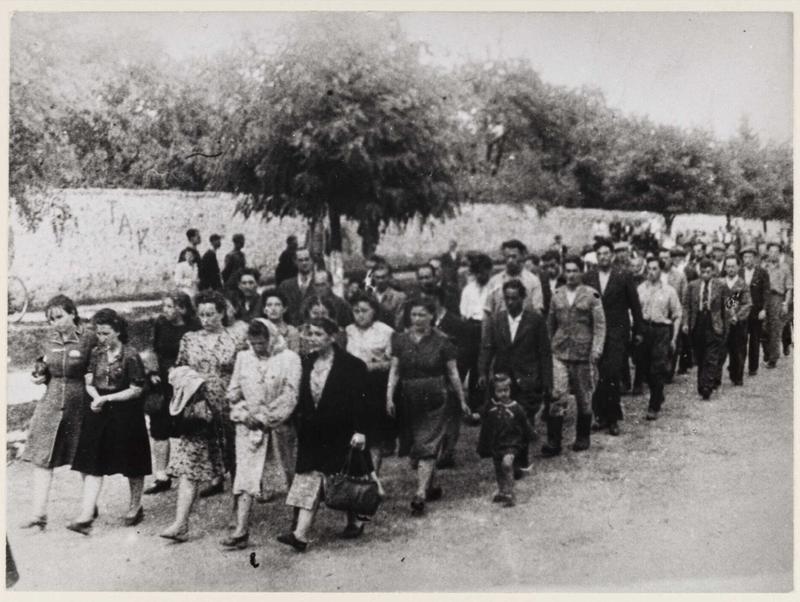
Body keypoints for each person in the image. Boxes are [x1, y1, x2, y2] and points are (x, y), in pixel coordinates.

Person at [277, 317, 372, 551]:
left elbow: (363, 403)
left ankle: (354, 520)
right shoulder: (305, 362)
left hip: (342, 431)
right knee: (311, 477)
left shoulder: (352, 365)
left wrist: (361, 430)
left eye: (318, 334)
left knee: (345, 476)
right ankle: (300, 534)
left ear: (332, 337)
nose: (312, 339)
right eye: (309, 334)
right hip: (312, 431)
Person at [159, 291, 247, 542]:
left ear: (222, 312)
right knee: (190, 462)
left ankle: (237, 516)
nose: (206, 319)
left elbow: (245, 370)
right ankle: (180, 522)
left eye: (211, 314)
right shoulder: (189, 338)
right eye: (202, 314)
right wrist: (181, 378)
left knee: (235, 462)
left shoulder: (236, 338)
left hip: (228, 406)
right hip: (197, 407)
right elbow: (177, 367)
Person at [68, 309, 151, 534]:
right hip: (101, 411)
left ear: (118, 332)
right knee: (93, 460)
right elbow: (89, 381)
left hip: (126, 413)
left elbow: (136, 389)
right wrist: (96, 397)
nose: (101, 338)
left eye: (106, 333)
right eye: (98, 333)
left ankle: (135, 506)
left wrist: (107, 398)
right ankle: (86, 515)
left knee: (133, 461)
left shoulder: (131, 355)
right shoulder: (95, 354)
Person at [21, 295, 99, 530]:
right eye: (51, 319)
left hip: (80, 403)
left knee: (84, 458)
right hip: (52, 403)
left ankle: (88, 507)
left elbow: (96, 368)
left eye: (59, 317)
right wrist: (39, 375)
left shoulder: (88, 338)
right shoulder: (49, 339)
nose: (55, 322)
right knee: (44, 457)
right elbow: (44, 366)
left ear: (72, 314)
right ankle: (38, 515)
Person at [386, 298, 469, 516]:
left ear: (432, 316)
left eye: (422, 315)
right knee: (416, 447)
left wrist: (461, 399)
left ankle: (420, 493)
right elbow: (394, 370)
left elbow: (453, 373)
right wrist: (389, 397)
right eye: (413, 315)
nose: (417, 319)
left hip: (436, 398)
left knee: (427, 444)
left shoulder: (443, 341)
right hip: (408, 399)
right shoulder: (400, 340)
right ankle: (430, 486)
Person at [223, 319, 301, 549]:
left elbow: (290, 395)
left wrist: (266, 418)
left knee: (289, 474)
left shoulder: (289, 359)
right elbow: (233, 393)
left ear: (272, 338)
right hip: (248, 427)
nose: (258, 347)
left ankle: (298, 525)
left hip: (279, 427)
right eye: (253, 343)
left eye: (262, 343)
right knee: (245, 476)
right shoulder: (243, 358)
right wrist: (242, 414)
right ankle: (241, 530)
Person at [479, 279, 552, 470]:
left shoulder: (535, 321)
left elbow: (544, 353)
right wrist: (483, 371)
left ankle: (520, 459)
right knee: (505, 420)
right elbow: (488, 347)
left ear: (523, 298)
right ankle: (509, 459)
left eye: (514, 298)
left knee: (523, 419)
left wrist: (547, 382)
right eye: (507, 298)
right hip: (504, 380)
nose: (510, 302)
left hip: (527, 379)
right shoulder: (497, 320)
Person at [542, 256, 605, 456]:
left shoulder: (591, 295)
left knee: (583, 397)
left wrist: (596, 349)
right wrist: (547, 347)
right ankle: (554, 441)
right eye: (567, 271)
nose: (570, 275)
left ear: (581, 272)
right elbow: (550, 324)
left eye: (574, 271)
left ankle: (582, 436)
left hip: (583, 354)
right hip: (559, 351)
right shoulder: (557, 295)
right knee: (558, 395)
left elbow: (600, 326)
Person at [583, 238, 643, 436]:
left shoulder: (623, 276)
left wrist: (638, 331)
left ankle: (614, 418)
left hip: (617, 332)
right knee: (597, 375)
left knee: (612, 374)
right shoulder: (588, 277)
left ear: (612, 255)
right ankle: (600, 416)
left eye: (606, 253)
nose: (603, 257)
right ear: (596, 257)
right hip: (594, 333)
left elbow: (635, 305)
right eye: (599, 254)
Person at [144, 293, 200, 495]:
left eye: (169, 306)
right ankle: (161, 476)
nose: (165, 310)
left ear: (182, 308)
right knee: (159, 427)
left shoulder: (193, 326)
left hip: (185, 382)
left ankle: (200, 474)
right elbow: (153, 350)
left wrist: (183, 374)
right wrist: (151, 371)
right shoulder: (160, 323)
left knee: (193, 427)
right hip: (162, 383)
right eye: (164, 306)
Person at [345, 292, 395, 474]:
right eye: (356, 311)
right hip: (352, 387)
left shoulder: (385, 331)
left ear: (374, 311)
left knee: (374, 436)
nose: (360, 315)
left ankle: (374, 476)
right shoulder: (347, 331)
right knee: (355, 433)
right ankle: (357, 476)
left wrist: (372, 366)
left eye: (365, 310)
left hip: (375, 386)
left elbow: (394, 362)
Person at [421, 287, 467, 470]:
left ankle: (448, 451)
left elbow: (464, 351)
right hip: (430, 377)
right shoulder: (423, 323)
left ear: (438, 299)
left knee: (452, 414)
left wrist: (457, 375)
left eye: (429, 299)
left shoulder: (455, 322)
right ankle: (432, 451)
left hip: (449, 375)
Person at [476, 373, 536, 508]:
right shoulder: (490, 406)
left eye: (506, 390)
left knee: (507, 464)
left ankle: (510, 493)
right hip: (496, 443)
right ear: (494, 391)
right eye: (499, 391)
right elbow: (480, 414)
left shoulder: (516, 408)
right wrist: (472, 415)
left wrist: (532, 434)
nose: (503, 394)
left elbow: (525, 423)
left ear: (511, 390)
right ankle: (502, 490)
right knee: (498, 467)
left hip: (512, 443)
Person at [636, 258, 682, 421]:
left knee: (657, 367)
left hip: (661, 330)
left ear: (660, 271)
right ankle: (659, 393)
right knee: (645, 367)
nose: (651, 272)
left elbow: (677, 314)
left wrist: (674, 338)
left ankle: (653, 405)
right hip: (645, 330)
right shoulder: (640, 289)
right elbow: (634, 311)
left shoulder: (669, 291)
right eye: (648, 269)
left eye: (655, 269)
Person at [684, 260, 729, 400]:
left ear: (713, 272)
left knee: (712, 356)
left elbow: (728, 304)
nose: (705, 275)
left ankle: (707, 386)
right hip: (697, 323)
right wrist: (686, 323)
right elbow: (686, 306)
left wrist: (727, 321)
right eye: (702, 272)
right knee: (700, 354)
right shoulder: (692, 286)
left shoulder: (721, 286)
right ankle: (701, 383)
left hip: (713, 322)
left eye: (708, 272)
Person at [459, 253, 494, 413]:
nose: (481, 275)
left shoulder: (495, 288)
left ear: (489, 270)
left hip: (487, 328)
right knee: (465, 362)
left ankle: (476, 404)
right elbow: (464, 314)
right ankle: (458, 402)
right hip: (470, 329)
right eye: (478, 271)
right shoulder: (468, 290)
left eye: (484, 271)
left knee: (480, 366)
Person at [484, 240, 543, 317]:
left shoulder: (533, 281)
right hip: (500, 327)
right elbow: (487, 312)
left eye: (514, 256)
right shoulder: (494, 281)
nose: (510, 260)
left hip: (524, 327)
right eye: (507, 257)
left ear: (522, 256)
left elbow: (537, 311)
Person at [722, 255, 752, 386]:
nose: (730, 269)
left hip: (738, 323)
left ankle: (737, 375)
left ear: (738, 267)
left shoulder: (742, 284)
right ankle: (716, 377)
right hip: (722, 323)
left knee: (738, 350)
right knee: (721, 350)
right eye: (728, 266)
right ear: (724, 268)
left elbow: (748, 304)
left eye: (733, 266)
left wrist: (737, 316)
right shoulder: (720, 283)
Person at [741, 246, 770, 376]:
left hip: (756, 311)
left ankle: (753, 367)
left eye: (750, 257)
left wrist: (764, 309)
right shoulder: (739, 272)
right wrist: (729, 307)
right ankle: (739, 365)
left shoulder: (762, 272)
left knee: (754, 340)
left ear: (755, 258)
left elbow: (766, 292)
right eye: (745, 257)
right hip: (742, 311)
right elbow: (735, 292)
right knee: (740, 339)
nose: (747, 260)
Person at [763, 242, 793, 369]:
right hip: (765, 298)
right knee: (763, 328)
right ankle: (767, 352)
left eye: (776, 252)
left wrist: (786, 303)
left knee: (775, 329)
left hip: (777, 298)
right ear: (767, 253)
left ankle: (773, 359)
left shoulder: (785, 268)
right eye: (771, 251)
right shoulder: (763, 267)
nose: (773, 254)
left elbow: (789, 288)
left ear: (780, 253)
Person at [277, 247, 315, 325]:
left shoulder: (319, 284)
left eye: (307, 259)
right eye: (300, 260)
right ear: (295, 262)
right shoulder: (285, 286)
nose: (304, 263)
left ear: (312, 261)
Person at [372, 262, 407, 330]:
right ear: (373, 277)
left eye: (383, 277)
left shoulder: (399, 297)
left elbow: (399, 323)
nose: (380, 281)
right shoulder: (369, 296)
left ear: (389, 277)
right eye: (377, 277)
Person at [540, 250, 565, 316]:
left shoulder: (567, 278)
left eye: (552, 265)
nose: (549, 270)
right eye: (546, 267)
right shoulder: (542, 279)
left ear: (559, 263)